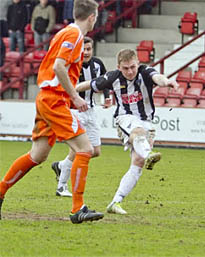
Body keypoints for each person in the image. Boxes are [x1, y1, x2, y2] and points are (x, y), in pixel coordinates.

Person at [0, 0, 103, 224]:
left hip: (47, 98)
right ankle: (78, 209)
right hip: (54, 100)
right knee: (85, 149)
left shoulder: (65, 32)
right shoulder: (74, 35)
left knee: (38, 155)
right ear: (92, 17)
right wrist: (74, 96)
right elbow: (58, 66)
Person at [75, 48, 179, 214]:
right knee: (137, 133)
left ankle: (115, 202)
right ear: (119, 67)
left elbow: (157, 77)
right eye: (125, 68)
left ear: (138, 63)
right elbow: (90, 84)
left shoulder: (145, 72)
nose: (130, 71)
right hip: (125, 118)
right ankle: (148, 153)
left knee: (137, 163)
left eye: (133, 67)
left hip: (147, 121)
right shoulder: (113, 77)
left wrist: (167, 82)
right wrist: (71, 89)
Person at [51, 36, 110, 197]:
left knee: (95, 151)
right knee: (77, 150)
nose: (86, 52)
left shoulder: (97, 64)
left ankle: (62, 166)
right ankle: (61, 186)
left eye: (89, 49)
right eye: (83, 49)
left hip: (90, 110)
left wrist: (107, 97)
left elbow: (105, 80)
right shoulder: (70, 66)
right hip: (74, 111)